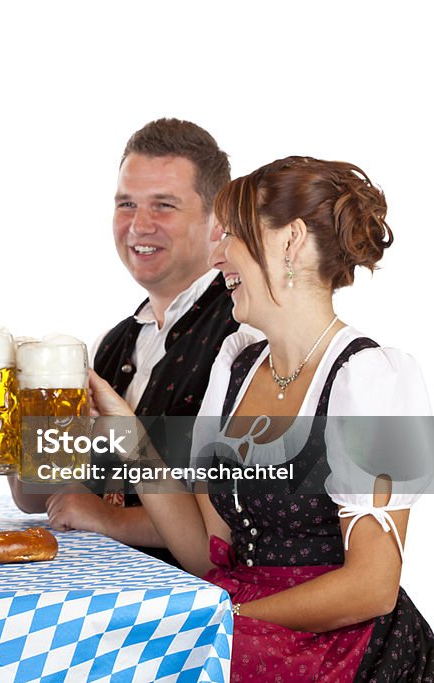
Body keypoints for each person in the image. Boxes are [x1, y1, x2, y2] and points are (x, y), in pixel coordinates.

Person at [90, 156, 434, 680]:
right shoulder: (238, 365)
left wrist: (226, 621)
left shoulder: (374, 379)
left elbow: (373, 586)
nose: (219, 253)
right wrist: (126, 431)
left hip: (343, 649)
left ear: (291, 240)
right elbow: (205, 554)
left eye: (233, 237)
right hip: (244, 624)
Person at [10, 119, 243, 563]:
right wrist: (18, 425)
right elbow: (43, 495)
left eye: (164, 206)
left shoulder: (242, 335)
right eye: (126, 204)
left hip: (199, 608)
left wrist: (112, 520)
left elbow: (238, 519)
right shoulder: (115, 342)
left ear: (218, 222)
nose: (139, 225)